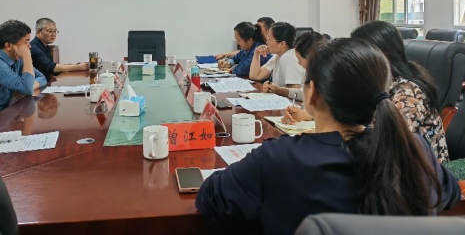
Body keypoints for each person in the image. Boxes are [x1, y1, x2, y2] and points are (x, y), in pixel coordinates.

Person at [196, 38, 460, 235]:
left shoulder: (278, 157)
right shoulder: (413, 148)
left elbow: (209, 198)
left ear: (312, 93)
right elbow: (448, 195)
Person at [350, 20, 450, 163]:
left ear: (382, 55)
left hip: (423, 171)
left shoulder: (409, 94)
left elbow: (389, 146)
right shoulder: (377, 82)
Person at [249, 22, 305, 96]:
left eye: (269, 39)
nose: (266, 42)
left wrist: (277, 90)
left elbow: (296, 93)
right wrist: (257, 53)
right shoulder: (277, 56)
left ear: (282, 44)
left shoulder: (289, 58)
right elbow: (255, 76)